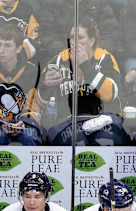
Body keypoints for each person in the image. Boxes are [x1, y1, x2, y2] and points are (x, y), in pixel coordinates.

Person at [36, 17, 128, 146]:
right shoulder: (58, 60)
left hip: (101, 121)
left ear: (91, 40)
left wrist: (85, 64)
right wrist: (45, 86)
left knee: (104, 141)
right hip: (68, 123)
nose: (74, 42)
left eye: (80, 37)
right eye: (72, 37)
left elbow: (111, 94)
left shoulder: (104, 58)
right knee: (78, 143)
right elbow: (39, 102)